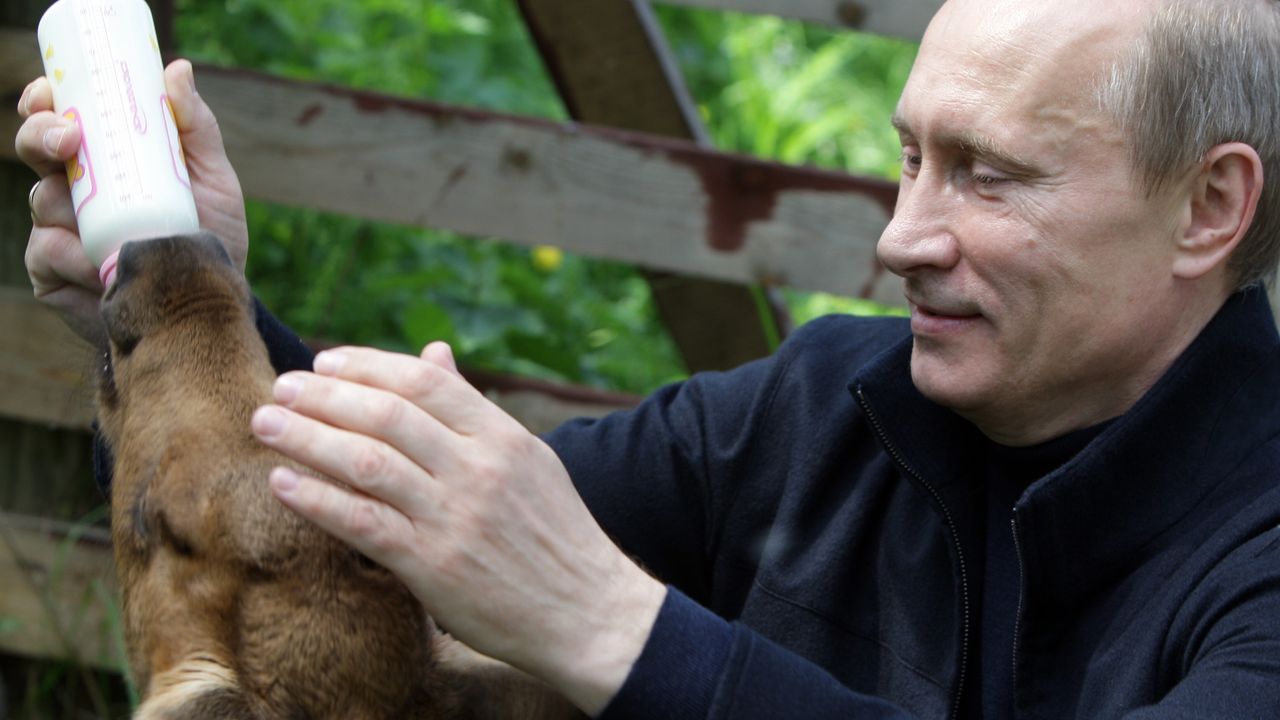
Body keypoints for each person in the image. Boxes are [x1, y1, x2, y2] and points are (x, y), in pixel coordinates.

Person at [16, 0, 1280, 716]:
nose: (901, 238)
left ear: (1207, 208)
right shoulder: (816, 405)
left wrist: (613, 628)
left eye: (987, 176)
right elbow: (377, 558)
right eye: (909, 158)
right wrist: (189, 306)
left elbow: (589, 612)